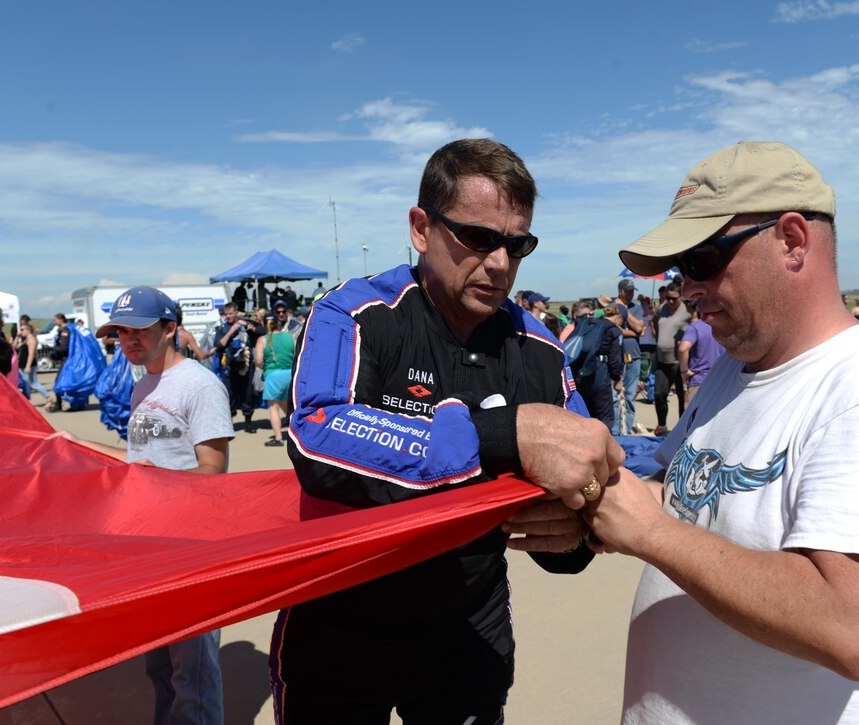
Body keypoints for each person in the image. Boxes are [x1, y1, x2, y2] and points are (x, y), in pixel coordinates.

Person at [585, 141, 859, 724]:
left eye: (702, 259)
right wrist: (594, 500)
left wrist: (649, 533)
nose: (686, 287)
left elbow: (852, 627)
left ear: (792, 240)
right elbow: (683, 493)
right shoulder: (739, 369)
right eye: (680, 268)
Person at [272, 138, 622, 723]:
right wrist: (502, 435)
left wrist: (572, 534)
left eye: (518, 245)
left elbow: (587, 481)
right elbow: (315, 434)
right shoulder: (354, 312)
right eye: (478, 239)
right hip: (339, 621)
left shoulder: (537, 347)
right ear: (420, 228)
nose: (500, 263)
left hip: (467, 628)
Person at [50, 286, 233, 725]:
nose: (127, 340)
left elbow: (213, 472)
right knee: (157, 664)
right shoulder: (143, 385)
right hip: (148, 542)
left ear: (170, 329)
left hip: (190, 545)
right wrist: (75, 445)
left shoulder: (200, 385)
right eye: (119, 332)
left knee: (194, 669)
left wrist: (158, 484)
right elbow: (139, 462)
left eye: (138, 331)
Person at [565, 298, 624, 430]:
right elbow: (614, 361)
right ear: (620, 317)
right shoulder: (614, 331)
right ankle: (606, 448)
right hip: (600, 376)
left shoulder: (589, 324)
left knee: (586, 416)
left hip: (581, 375)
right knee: (606, 418)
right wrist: (618, 379)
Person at [210, 302, 257, 433]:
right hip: (229, 368)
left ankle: (248, 422)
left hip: (245, 366)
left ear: (236, 313)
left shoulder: (244, 326)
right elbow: (218, 346)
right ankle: (229, 424)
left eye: (231, 313)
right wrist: (231, 331)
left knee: (247, 394)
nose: (228, 316)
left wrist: (247, 325)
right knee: (229, 395)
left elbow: (260, 332)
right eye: (227, 314)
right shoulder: (222, 328)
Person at [652, 282, 690, 435]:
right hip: (662, 361)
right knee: (659, 394)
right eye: (668, 298)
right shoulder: (663, 308)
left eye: (674, 298)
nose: (671, 301)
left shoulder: (687, 311)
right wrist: (657, 335)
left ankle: (682, 430)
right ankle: (662, 426)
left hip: (678, 362)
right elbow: (654, 320)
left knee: (683, 397)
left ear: (681, 296)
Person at [253, 312, 294, 447]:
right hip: (290, 374)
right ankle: (296, 431)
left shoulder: (262, 339)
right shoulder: (289, 337)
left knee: (273, 408)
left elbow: (258, 361)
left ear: (264, 325)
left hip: (273, 375)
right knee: (286, 404)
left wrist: (265, 365)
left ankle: (278, 437)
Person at [612, 279, 645, 435]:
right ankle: (616, 431)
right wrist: (633, 332)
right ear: (620, 291)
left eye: (633, 291)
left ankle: (628, 431)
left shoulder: (636, 308)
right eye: (628, 291)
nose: (631, 294)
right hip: (616, 358)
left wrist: (624, 310)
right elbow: (612, 329)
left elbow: (640, 328)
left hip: (634, 357)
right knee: (615, 398)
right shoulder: (610, 307)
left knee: (630, 396)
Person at [677, 304, 725, 407]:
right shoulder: (725, 326)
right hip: (723, 382)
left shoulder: (695, 327)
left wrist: (684, 371)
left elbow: (683, 349)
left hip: (699, 380)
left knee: (693, 421)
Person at [14, 319, 51, 402]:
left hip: (28, 365)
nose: (21, 331)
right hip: (22, 365)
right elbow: (15, 347)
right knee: (25, 384)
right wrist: (17, 336)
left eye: (22, 330)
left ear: (28, 330)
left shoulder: (32, 340)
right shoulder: (26, 340)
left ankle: (48, 398)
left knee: (33, 384)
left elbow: (31, 354)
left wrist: (28, 366)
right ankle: (27, 400)